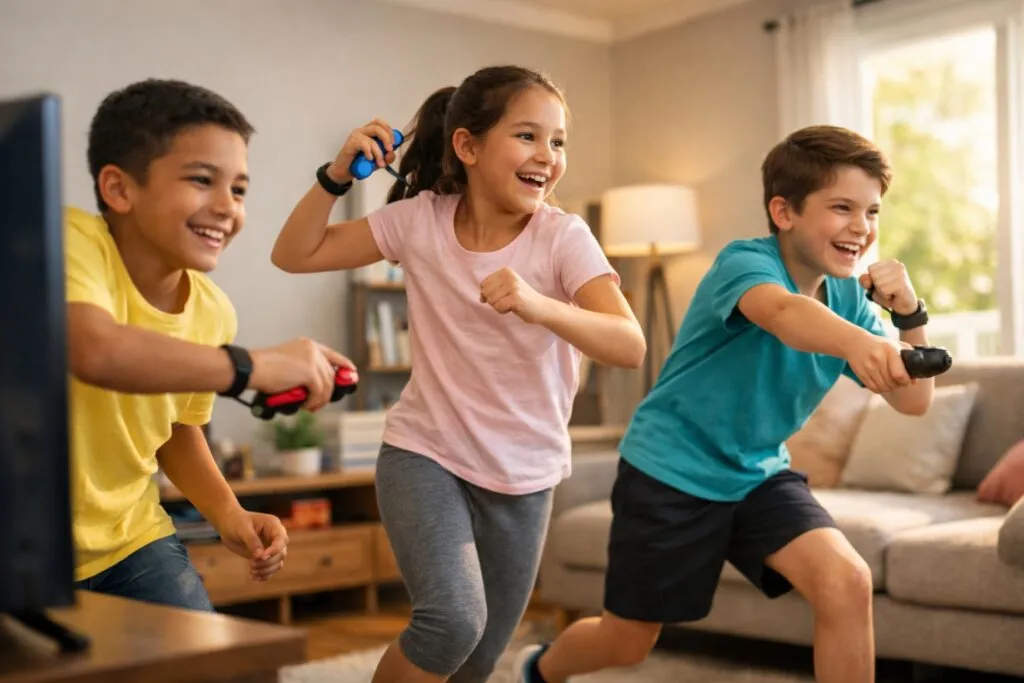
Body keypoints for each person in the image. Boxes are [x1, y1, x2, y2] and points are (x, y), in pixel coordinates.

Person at [516, 125, 936, 683]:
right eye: (842, 207)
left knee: (847, 581)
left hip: (757, 475)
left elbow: (915, 403)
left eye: (872, 212)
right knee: (627, 643)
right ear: (783, 211)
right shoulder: (744, 264)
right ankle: (540, 670)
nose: (862, 227)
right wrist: (862, 341)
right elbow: (785, 316)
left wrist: (909, 316)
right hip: (671, 472)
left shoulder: (845, 302)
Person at [271, 65, 646, 683]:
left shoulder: (563, 238)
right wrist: (336, 176)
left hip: (524, 474)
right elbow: (294, 254)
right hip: (427, 453)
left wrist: (539, 304)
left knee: (473, 663)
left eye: (558, 142)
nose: (547, 157)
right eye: (528, 136)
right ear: (467, 146)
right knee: (451, 621)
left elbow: (629, 344)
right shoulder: (419, 220)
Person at [67, 78, 357, 611]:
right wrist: (252, 367)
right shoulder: (72, 242)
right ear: (119, 189)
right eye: (203, 180)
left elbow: (177, 429)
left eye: (239, 189)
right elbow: (95, 351)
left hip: (132, 539)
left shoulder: (212, 310)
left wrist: (230, 514)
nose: (227, 206)